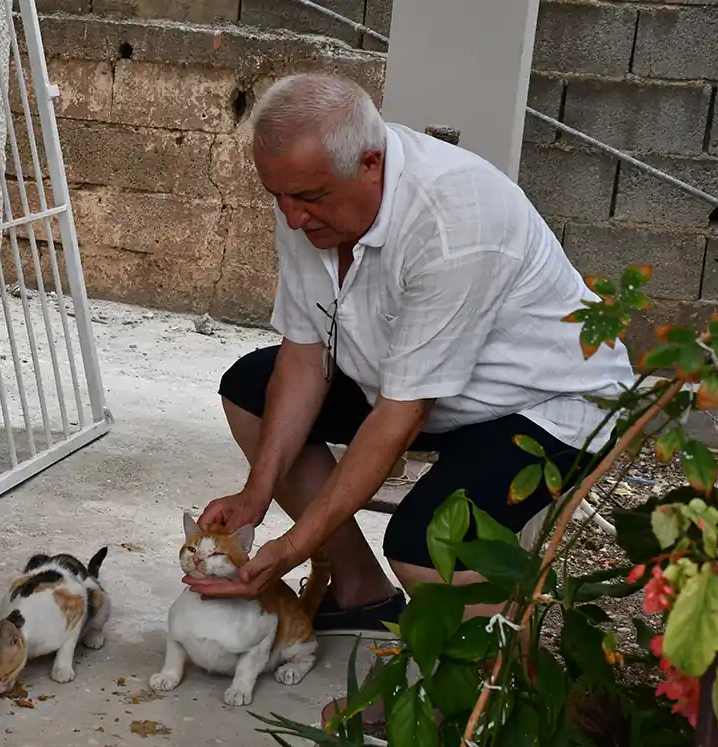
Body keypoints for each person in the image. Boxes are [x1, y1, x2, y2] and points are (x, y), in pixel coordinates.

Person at [188, 73, 633, 658]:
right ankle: (360, 596)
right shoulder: (311, 192)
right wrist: (256, 495)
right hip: (412, 386)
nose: (293, 219)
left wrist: (289, 549)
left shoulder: (453, 219)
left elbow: (402, 415)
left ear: (371, 163)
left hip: (544, 403)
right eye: (279, 197)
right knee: (251, 387)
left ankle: (499, 687)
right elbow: (303, 356)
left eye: (309, 199)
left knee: (426, 544)